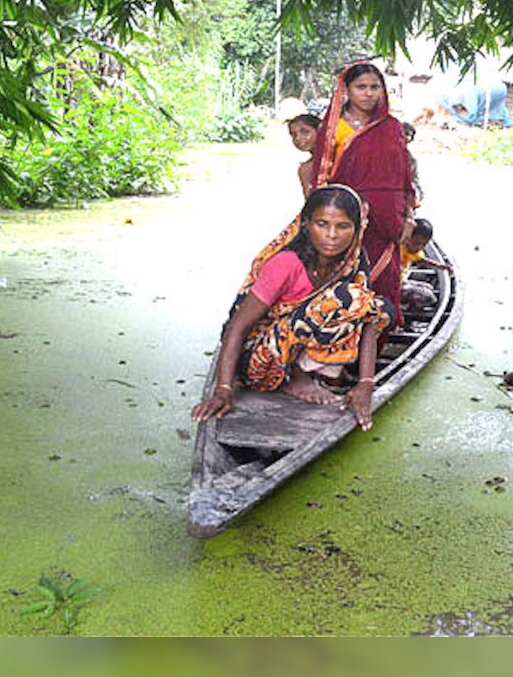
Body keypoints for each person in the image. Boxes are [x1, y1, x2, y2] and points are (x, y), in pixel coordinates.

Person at [190, 185, 390, 430]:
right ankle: (296, 378)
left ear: (357, 229)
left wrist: (366, 383)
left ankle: (326, 373)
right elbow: (237, 328)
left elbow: (368, 316)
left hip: (295, 347)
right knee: (346, 297)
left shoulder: (354, 261)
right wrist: (223, 390)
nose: (332, 235)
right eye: (322, 224)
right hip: (258, 361)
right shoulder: (286, 264)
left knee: (379, 308)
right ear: (306, 224)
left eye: (343, 226)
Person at [309, 62, 414, 326]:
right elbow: (321, 177)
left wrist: (409, 216)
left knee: (385, 278)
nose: (368, 93)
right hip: (346, 219)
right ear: (347, 90)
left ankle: (377, 336)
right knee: (342, 279)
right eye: (361, 87)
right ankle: (337, 343)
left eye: (374, 87)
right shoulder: (333, 127)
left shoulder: (390, 127)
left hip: (388, 220)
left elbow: (404, 176)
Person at [399, 218, 451, 313]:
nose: (419, 248)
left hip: (401, 282)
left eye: (424, 245)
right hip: (393, 286)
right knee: (429, 297)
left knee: (429, 287)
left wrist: (440, 266)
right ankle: (403, 308)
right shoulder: (399, 249)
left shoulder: (413, 251)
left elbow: (421, 260)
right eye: (416, 243)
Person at [287, 113, 322, 197]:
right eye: (293, 135)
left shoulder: (339, 156)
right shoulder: (306, 169)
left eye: (305, 132)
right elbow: (311, 204)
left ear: (320, 131)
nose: (298, 138)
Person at [402, 122, 424, 207]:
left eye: (407, 134)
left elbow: (414, 181)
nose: (403, 136)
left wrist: (417, 195)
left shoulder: (411, 161)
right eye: (401, 132)